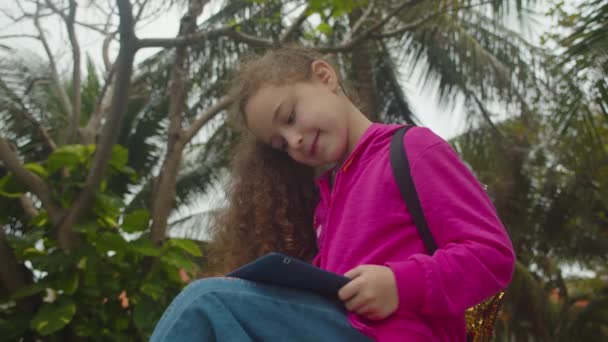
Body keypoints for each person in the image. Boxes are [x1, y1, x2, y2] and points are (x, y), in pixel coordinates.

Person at [150, 46, 515, 342]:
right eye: (280, 144)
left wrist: (400, 284)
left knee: (205, 302)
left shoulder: (411, 149)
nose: (292, 141)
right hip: (338, 328)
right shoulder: (327, 200)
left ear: (325, 76)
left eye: (290, 116)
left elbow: (492, 255)